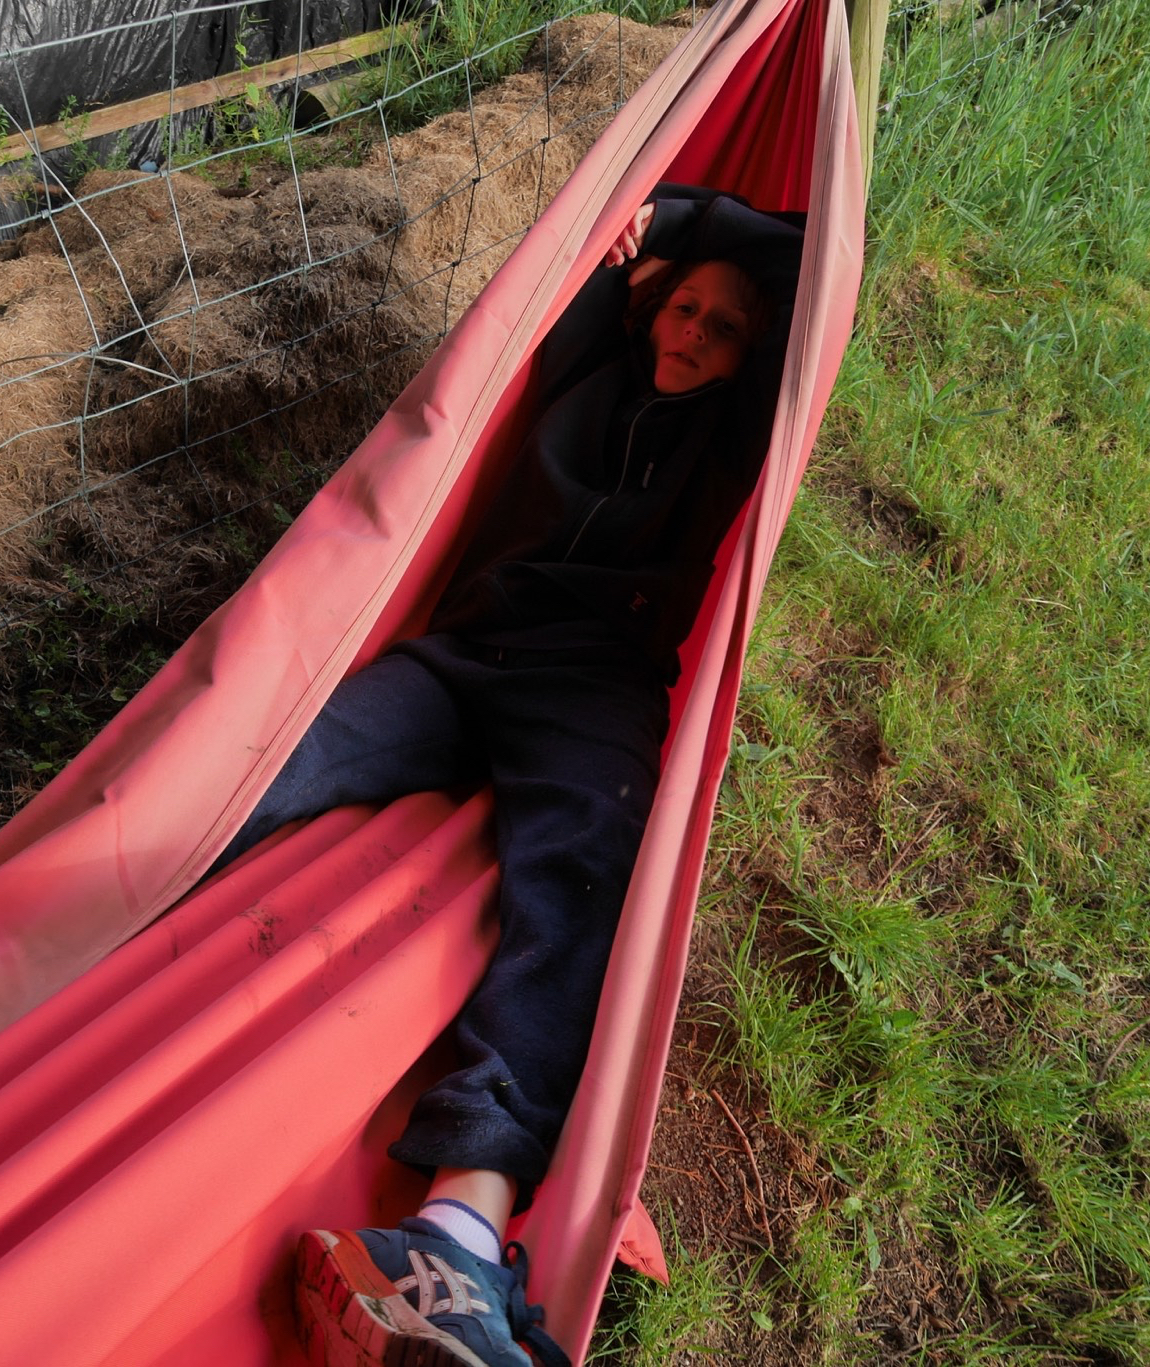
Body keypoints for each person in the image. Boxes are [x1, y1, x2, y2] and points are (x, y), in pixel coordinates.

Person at [217, 184, 803, 1367]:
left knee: (583, 880)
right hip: (462, 657)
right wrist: (641, 239)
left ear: (750, 356)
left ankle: (455, 1238)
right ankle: (94, 940)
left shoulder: (734, 431)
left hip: (589, 694)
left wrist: (685, 222)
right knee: (263, 766)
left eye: (724, 327)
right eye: (683, 308)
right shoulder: (590, 357)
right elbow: (585, 259)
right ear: (648, 307)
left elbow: (807, 264)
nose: (693, 333)